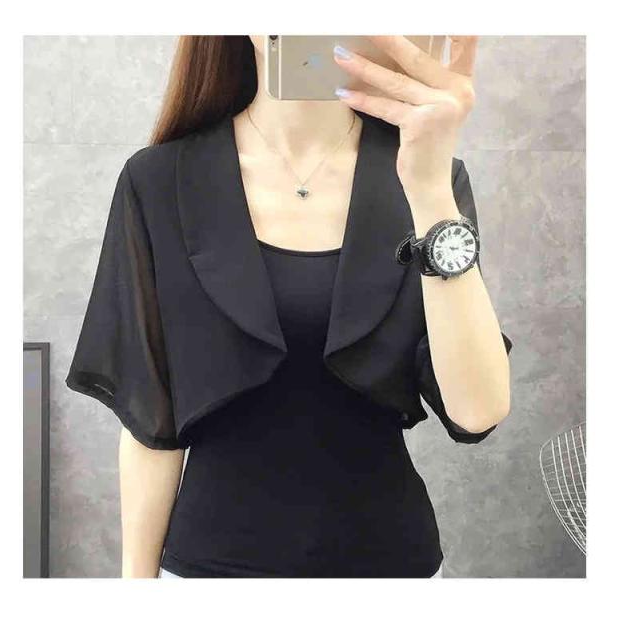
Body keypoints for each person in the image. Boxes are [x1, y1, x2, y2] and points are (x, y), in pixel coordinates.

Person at [65, 35, 513, 579]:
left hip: (391, 570)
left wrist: (430, 190)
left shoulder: (428, 174)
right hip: (209, 575)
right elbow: (151, 421)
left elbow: (477, 411)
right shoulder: (159, 180)